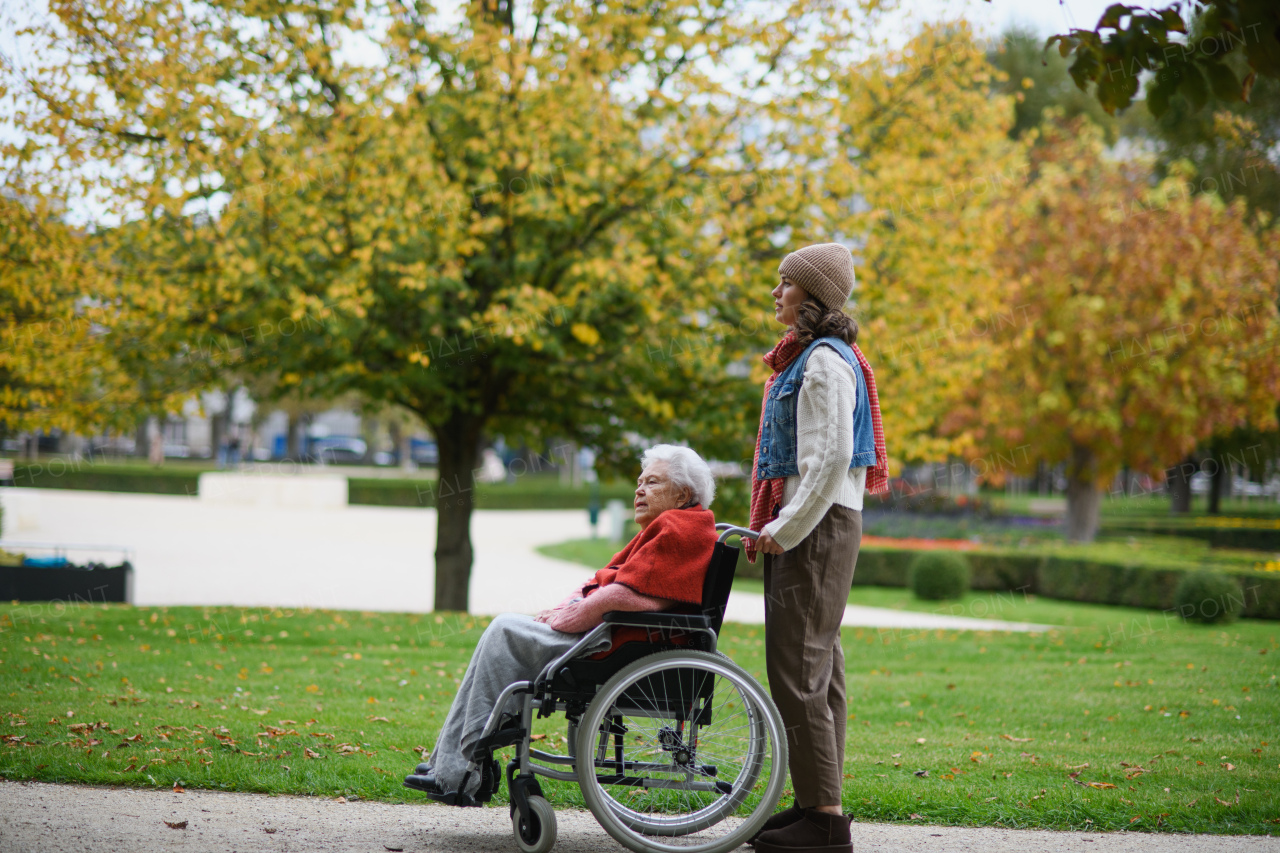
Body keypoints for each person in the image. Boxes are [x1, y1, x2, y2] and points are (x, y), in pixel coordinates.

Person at [403, 443, 718, 804]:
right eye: (640, 481)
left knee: (503, 631)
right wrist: (572, 605)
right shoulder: (679, 525)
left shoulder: (680, 529)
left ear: (682, 494)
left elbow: (627, 596)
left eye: (653, 482)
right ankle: (450, 765)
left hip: (613, 642)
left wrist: (571, 614)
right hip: (617, 635)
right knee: (502, 629)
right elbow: (624, 587)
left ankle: (458, 771)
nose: (639, 490)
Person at [745, 243, 889, 853]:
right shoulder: (817, 358)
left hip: (818, 527)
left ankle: (825, 823)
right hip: (822, 524)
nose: (776, 293)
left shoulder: (824, 364)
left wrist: (786, 526)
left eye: (785, 284)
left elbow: (828, 460)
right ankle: (814, 805)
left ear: (812, 296)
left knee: (799, 669)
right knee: (818, 669)